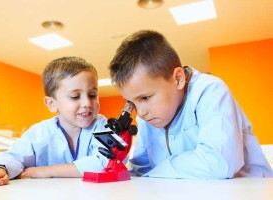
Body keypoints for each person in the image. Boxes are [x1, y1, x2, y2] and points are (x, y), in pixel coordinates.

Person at [108, 30, 273, 179]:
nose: (141, 113)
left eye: (145, 97)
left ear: (178, 79)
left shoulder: (210, 91)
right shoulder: (147, 117)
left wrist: (159, 170)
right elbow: (141, 170)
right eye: (132, 102)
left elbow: (219, 163)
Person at [0, 56, 109, 187]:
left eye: (93, 95)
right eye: (75, 96)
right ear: (51, 104)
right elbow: (13, 157)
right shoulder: (39, 133)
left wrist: (46, 171)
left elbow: (107, 162)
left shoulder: (102, 125)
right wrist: (0, 170)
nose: (87, 103)